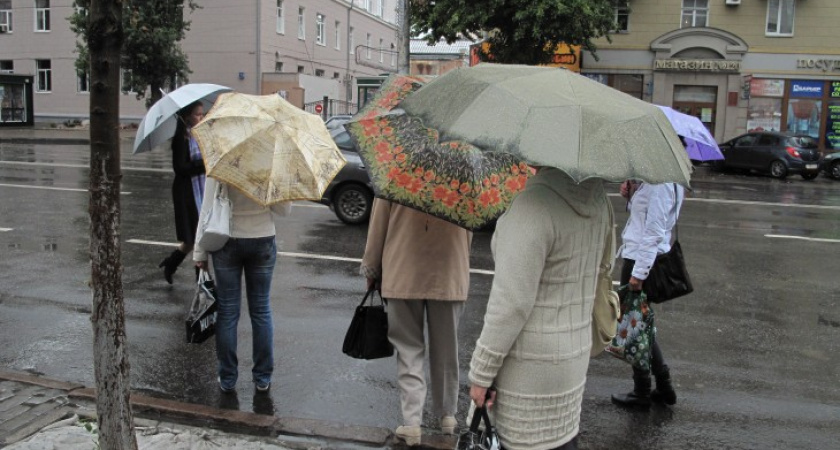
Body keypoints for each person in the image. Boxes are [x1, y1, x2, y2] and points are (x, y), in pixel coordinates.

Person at [468, 167, 613, 450]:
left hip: (527, 367)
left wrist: (481, 374)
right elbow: (603, 268)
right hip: (573, 357)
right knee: (562, 440)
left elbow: (511, 305)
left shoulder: (532, 206)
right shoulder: (599, 200)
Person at [360, 199, 472, 446]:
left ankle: (412, 423)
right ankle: (447, 417)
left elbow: (378, 226)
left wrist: (371, 269)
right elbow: (469, 230)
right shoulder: (463, 177)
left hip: (402, 270)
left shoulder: (397, 170)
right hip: (449, 271)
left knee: (409, 349)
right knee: (446, 349)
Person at [194, 177, 292, 393]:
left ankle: (227, 377)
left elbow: (207, 205)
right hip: (262, 238)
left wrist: (199, 251)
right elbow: (284, 210)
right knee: (261, 311)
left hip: (226, 237)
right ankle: (262, 377)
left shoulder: (222, 155)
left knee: (228, 312)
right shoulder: (272, 160)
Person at [610, 179, 684, 408]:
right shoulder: (655, 180)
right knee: (642, 326)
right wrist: (631, 193)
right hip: (639, 256)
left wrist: (638, 274)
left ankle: (643, 390)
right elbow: (643, 218)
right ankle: (663, 386)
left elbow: (654, 231)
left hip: (641, 261)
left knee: (636, 326)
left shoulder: (661, 183)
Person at [159, 101, 206, 284]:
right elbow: (180, 168)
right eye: (197, 114)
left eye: (202, 114)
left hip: (202, 188)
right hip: (187, 193)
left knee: (194, 238)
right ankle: (200, 279)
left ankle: (171, 263)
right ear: (187, 116)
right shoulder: (181, 137)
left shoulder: (199, 134)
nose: (201, 117)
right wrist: (203, 164)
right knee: (197, 237)